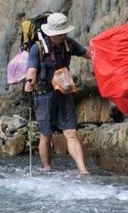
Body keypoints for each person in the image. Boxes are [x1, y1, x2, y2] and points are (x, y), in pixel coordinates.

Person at [24, 12, 91, 174]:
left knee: (71, 132)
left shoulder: (68, 43)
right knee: (46, 134)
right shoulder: (37, 48)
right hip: (44, 95)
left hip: (64, 93)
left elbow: (87, 53)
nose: (63, 35)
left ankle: (83, 170)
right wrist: (28, 83)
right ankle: (47, 169)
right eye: (59, 33)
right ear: (50, 33)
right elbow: (32, 70)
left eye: (64, 32)